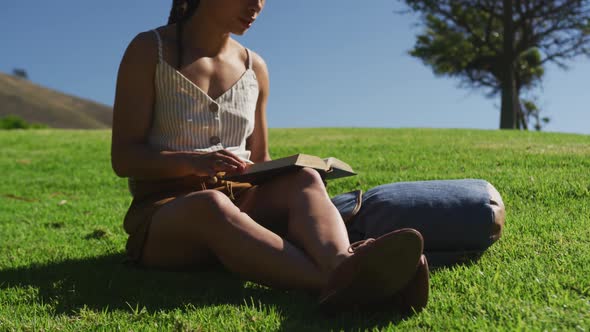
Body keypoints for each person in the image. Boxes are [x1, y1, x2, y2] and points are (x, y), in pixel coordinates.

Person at [111, 0, 428, 311]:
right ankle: (343, 282)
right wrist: (194, 162)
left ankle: (343, 263)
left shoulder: (255, 67)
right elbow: (125, 158)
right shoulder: (150, 49)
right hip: (165, 216)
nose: (257, 6)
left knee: (303, 177)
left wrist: (285, 168)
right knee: (212, 205)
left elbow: (260, 158)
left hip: (241, 201)